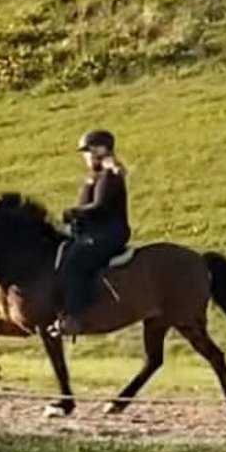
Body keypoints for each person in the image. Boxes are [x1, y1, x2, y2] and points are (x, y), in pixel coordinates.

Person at [54, 129, 131, 336]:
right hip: (93, 233)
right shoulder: (95, 177)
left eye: (88, 152)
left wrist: (74, 213)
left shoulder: (110, 176)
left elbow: (100, 206)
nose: (85, 157)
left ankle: (74, 315)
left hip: (109, 234)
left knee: (76, 260)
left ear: (100, 150)